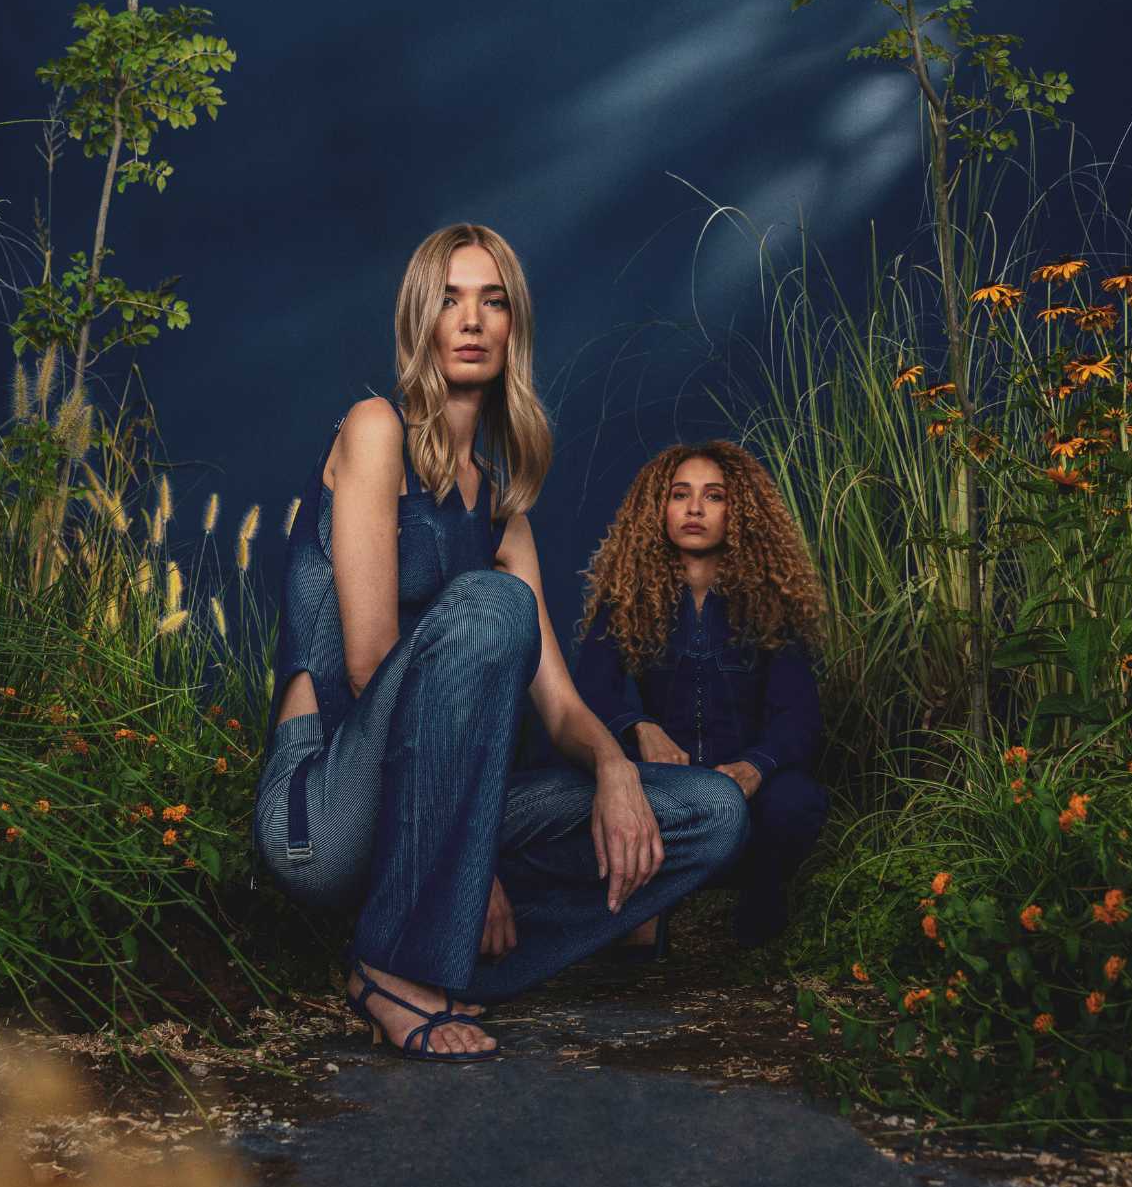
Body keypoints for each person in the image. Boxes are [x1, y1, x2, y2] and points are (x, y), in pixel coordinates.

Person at [254, 226, 748, 1062]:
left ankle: (446, 944)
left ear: (514, 326)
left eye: (493, 301)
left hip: (438, 810)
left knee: (713, 811)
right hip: (325, 810)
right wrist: (468, 858)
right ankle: (391, 970)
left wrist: (617, 767)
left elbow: (558, 709)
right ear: (421, 320)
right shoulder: (375, 430)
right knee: (491, 602)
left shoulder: (504, 515)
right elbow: (371, 659)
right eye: (449, 299)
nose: (471, 320)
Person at [574, 441, 828, 954]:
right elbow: (589, 690)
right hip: (662, 791)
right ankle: (645, 914)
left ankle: (757, 942)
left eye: (713, 496)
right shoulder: (626, 599)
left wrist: (756, 766)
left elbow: (798, 715)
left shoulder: (771, 603)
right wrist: (639, 728)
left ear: (739, 513)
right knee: (581, 794)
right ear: (658, 509)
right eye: (680, 495)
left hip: (745, 791)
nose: (694, 509)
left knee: (796, 802)